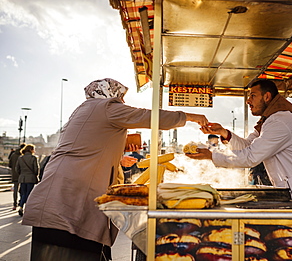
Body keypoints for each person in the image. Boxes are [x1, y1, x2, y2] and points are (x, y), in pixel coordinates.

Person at [22, 78, 208, 261]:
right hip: (72, 201)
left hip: (55, 198)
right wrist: (189, 117)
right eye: (121, 97)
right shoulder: (106, 107)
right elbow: (148, 116)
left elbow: (86, 146)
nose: (123, 102)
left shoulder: (83, 111)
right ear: (109, 93)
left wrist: (120, 153)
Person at [186, 79, 292, 206]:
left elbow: (250, 157)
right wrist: (224, 133)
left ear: (267, 97)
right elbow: (248, 146)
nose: (248, 101)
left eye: (253, 96)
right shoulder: (269, 122)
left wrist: (211, 156)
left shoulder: (280, 122)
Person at [16, 144, 39, 217]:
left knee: (23, 193)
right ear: (30, 150)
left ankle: (21, 206)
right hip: (31, 178)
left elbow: (17, 169)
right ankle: (26, 209)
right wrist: (35, 175)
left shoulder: (20, 158)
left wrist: (22, 174)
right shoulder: (33, 158)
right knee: (29, 194)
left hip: (22, 178)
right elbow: (36, 169)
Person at [8, 143, 26, 210]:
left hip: (15, 174)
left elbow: (9, 165)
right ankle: (21, 202)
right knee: (23, 189)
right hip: (23, 174)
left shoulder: (13, 155)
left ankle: (14, 204)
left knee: (15, 189)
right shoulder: (23, 155)